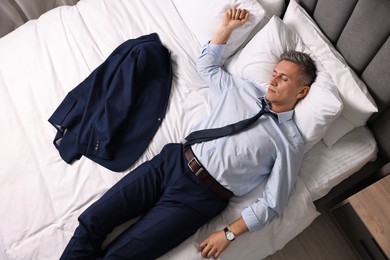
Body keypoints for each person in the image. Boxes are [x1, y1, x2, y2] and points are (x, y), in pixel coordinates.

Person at [60, 8, 317, 260]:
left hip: (198, 199)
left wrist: (227, 234)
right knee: (92, 221)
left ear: (302, 92)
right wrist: (226, 29)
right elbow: (207, 67)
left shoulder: (290, 141)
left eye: (283, 78)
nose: (272, 81)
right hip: (170, 162)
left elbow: (272, 203)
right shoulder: (243, 90)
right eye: (274, 74)